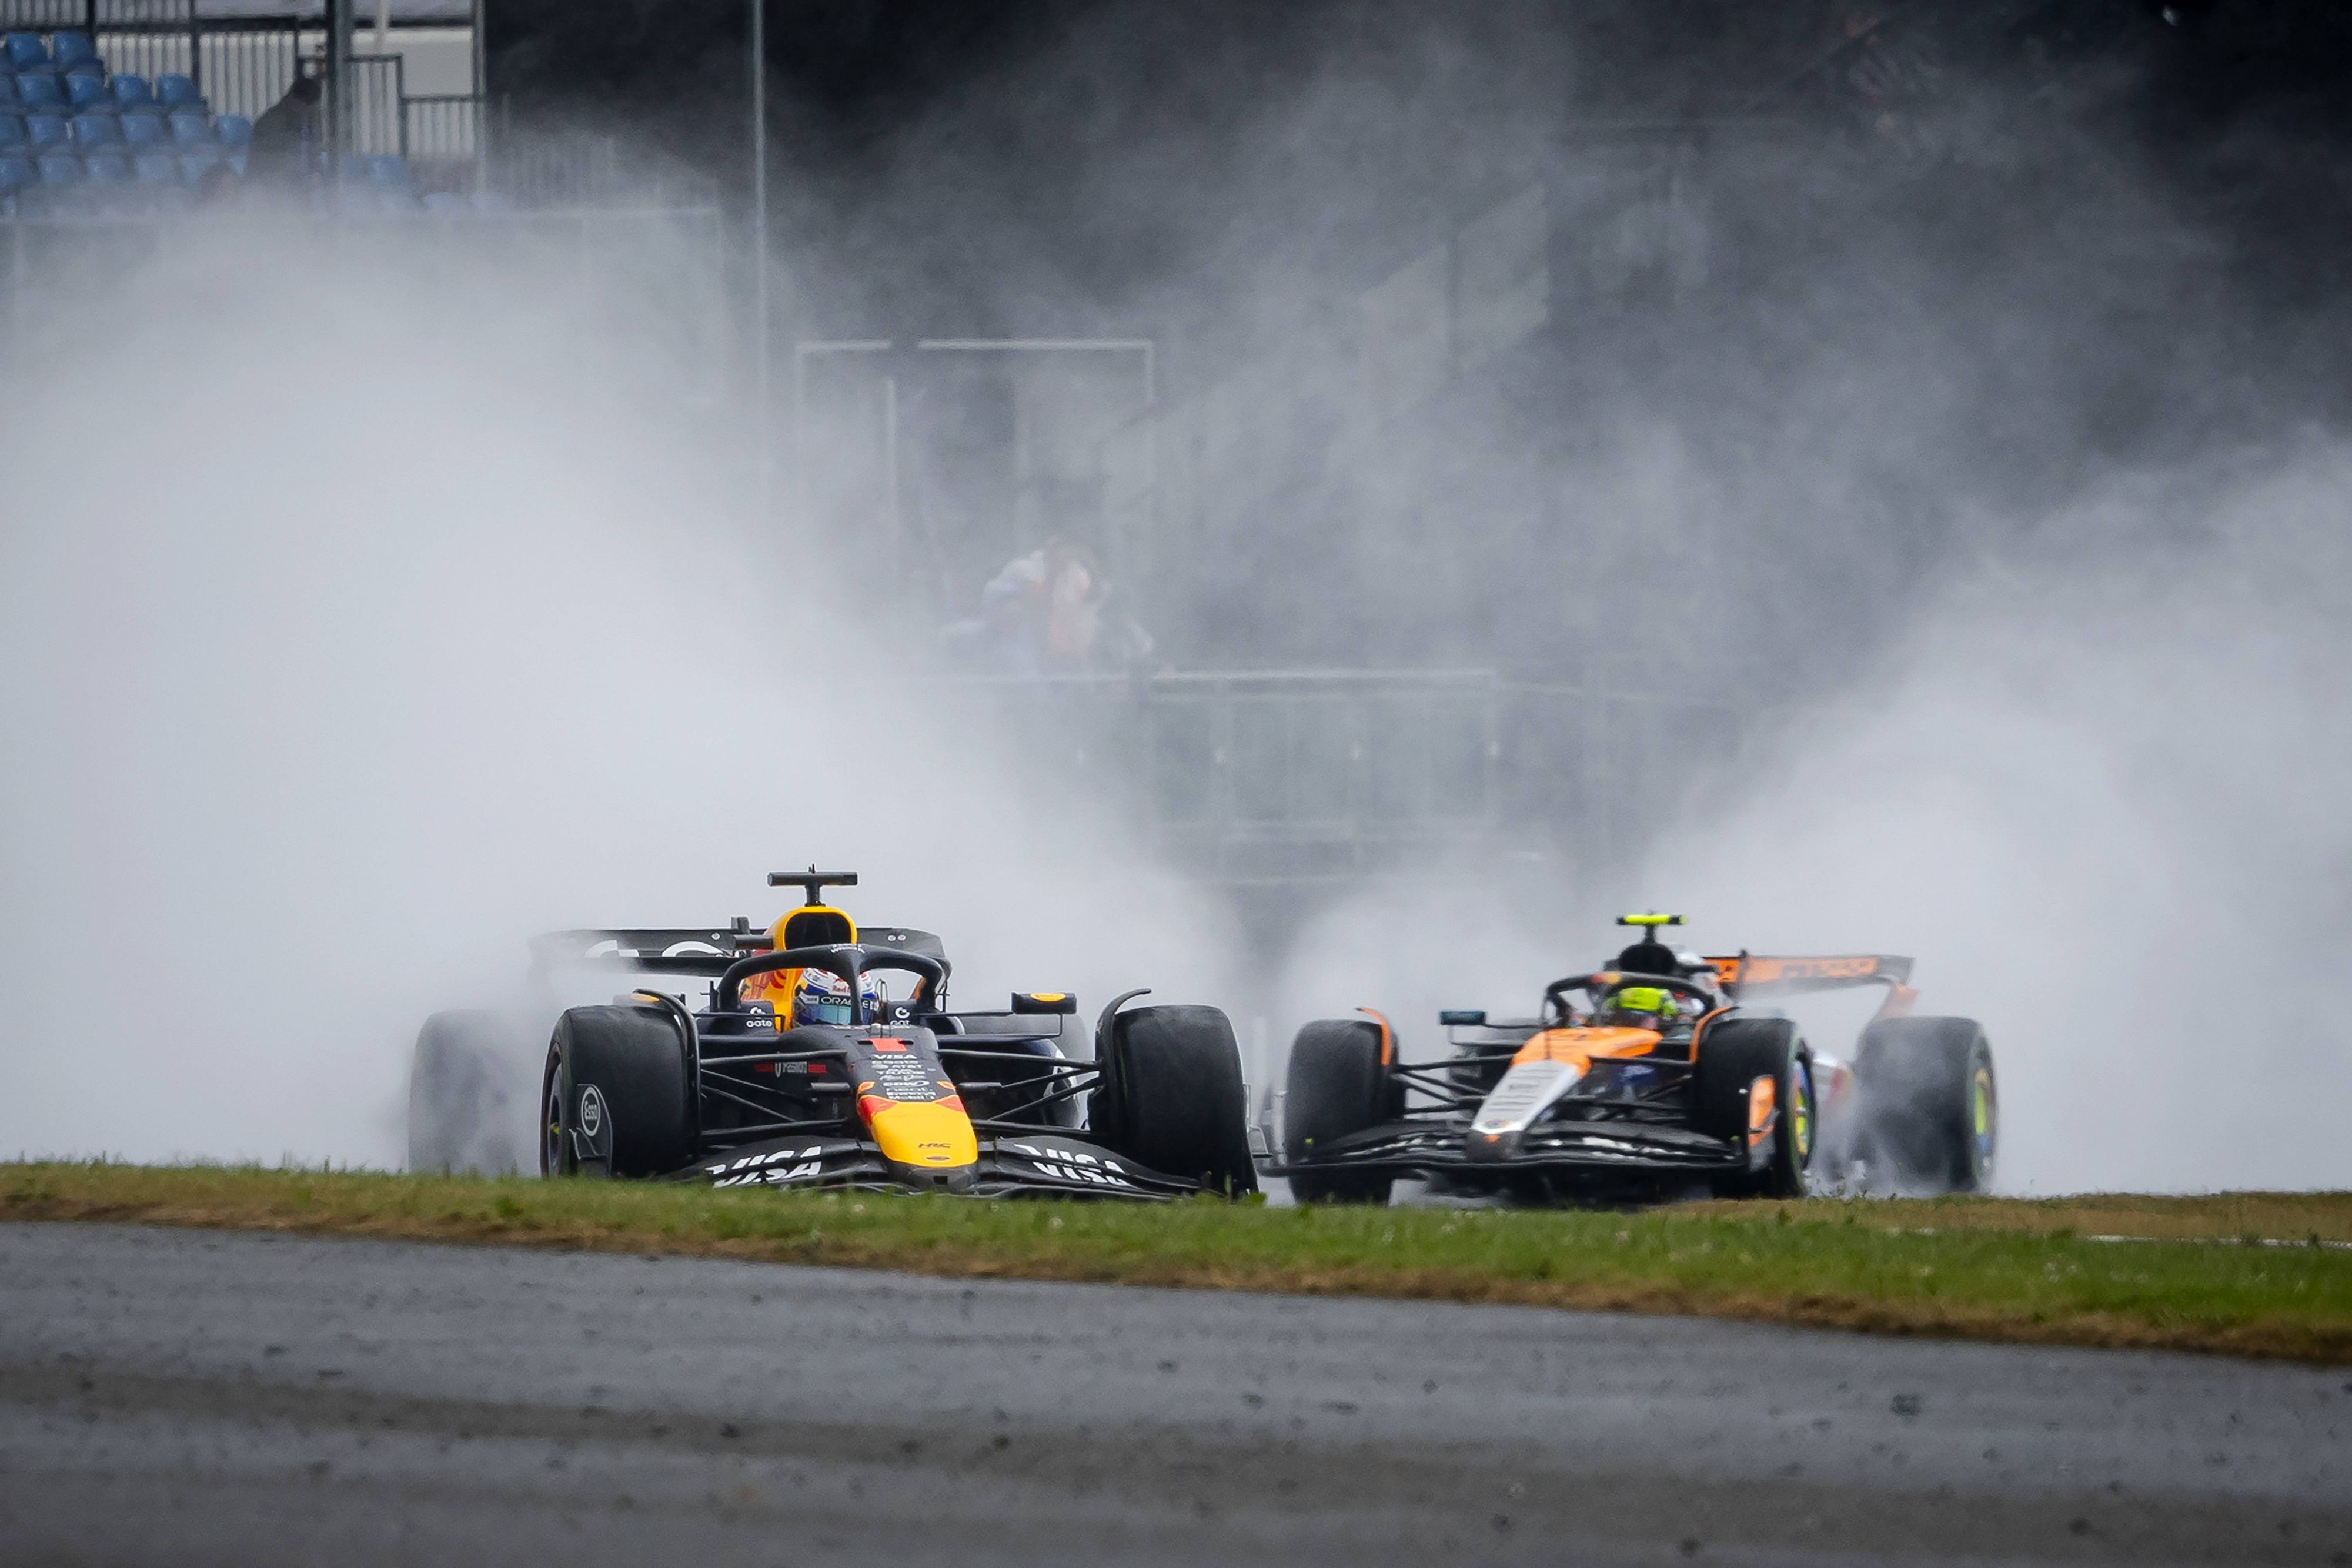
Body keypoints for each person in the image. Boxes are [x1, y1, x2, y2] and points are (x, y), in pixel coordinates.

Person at [246, 72, 323, 189]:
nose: (310, 112)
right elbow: (268, 162)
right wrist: (299, 181)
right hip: (270, 184)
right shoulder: (271, 122)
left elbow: (313, 151)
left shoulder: (304, 120)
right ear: (295, 100)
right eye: (307, 107)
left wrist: (315, 172)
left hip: (297, 182)